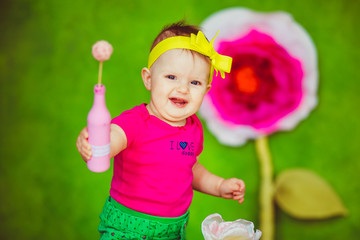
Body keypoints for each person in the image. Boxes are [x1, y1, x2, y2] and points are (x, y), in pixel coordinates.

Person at [76, 21, 245, 240]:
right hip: (129, 228)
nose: (183, 88)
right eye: (171, 77)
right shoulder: (137, 121)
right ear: (148, 79)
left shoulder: (194, 129)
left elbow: (189, 169)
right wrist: (96, 141)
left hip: (172, 230)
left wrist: (219, 185)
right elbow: (114, 137)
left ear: (206, 89)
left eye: (194, 82)